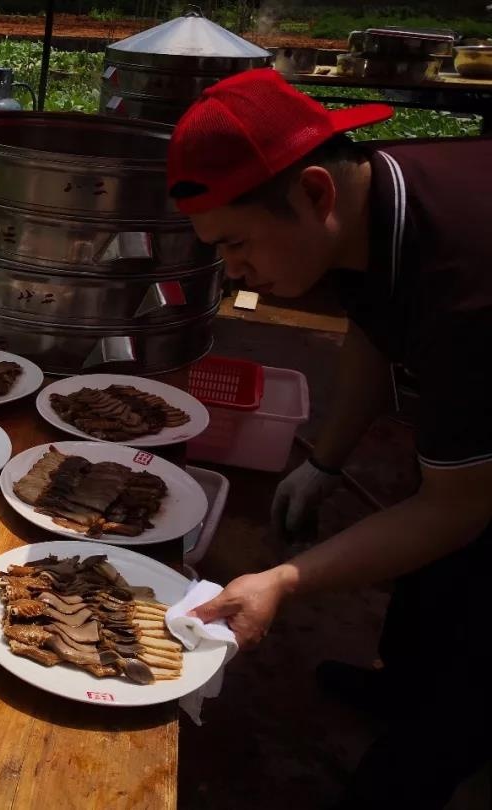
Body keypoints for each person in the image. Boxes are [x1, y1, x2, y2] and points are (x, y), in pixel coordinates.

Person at [166, 68, 492, 809]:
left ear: (315, 193)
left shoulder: (466, 283)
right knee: (432, 590)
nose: (232, 269)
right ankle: (400, 685)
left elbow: (458, 508)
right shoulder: (368, 203)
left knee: (470, 673)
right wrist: (327, 458)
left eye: (238, 243)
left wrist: (285, 580)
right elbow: (374, 332)